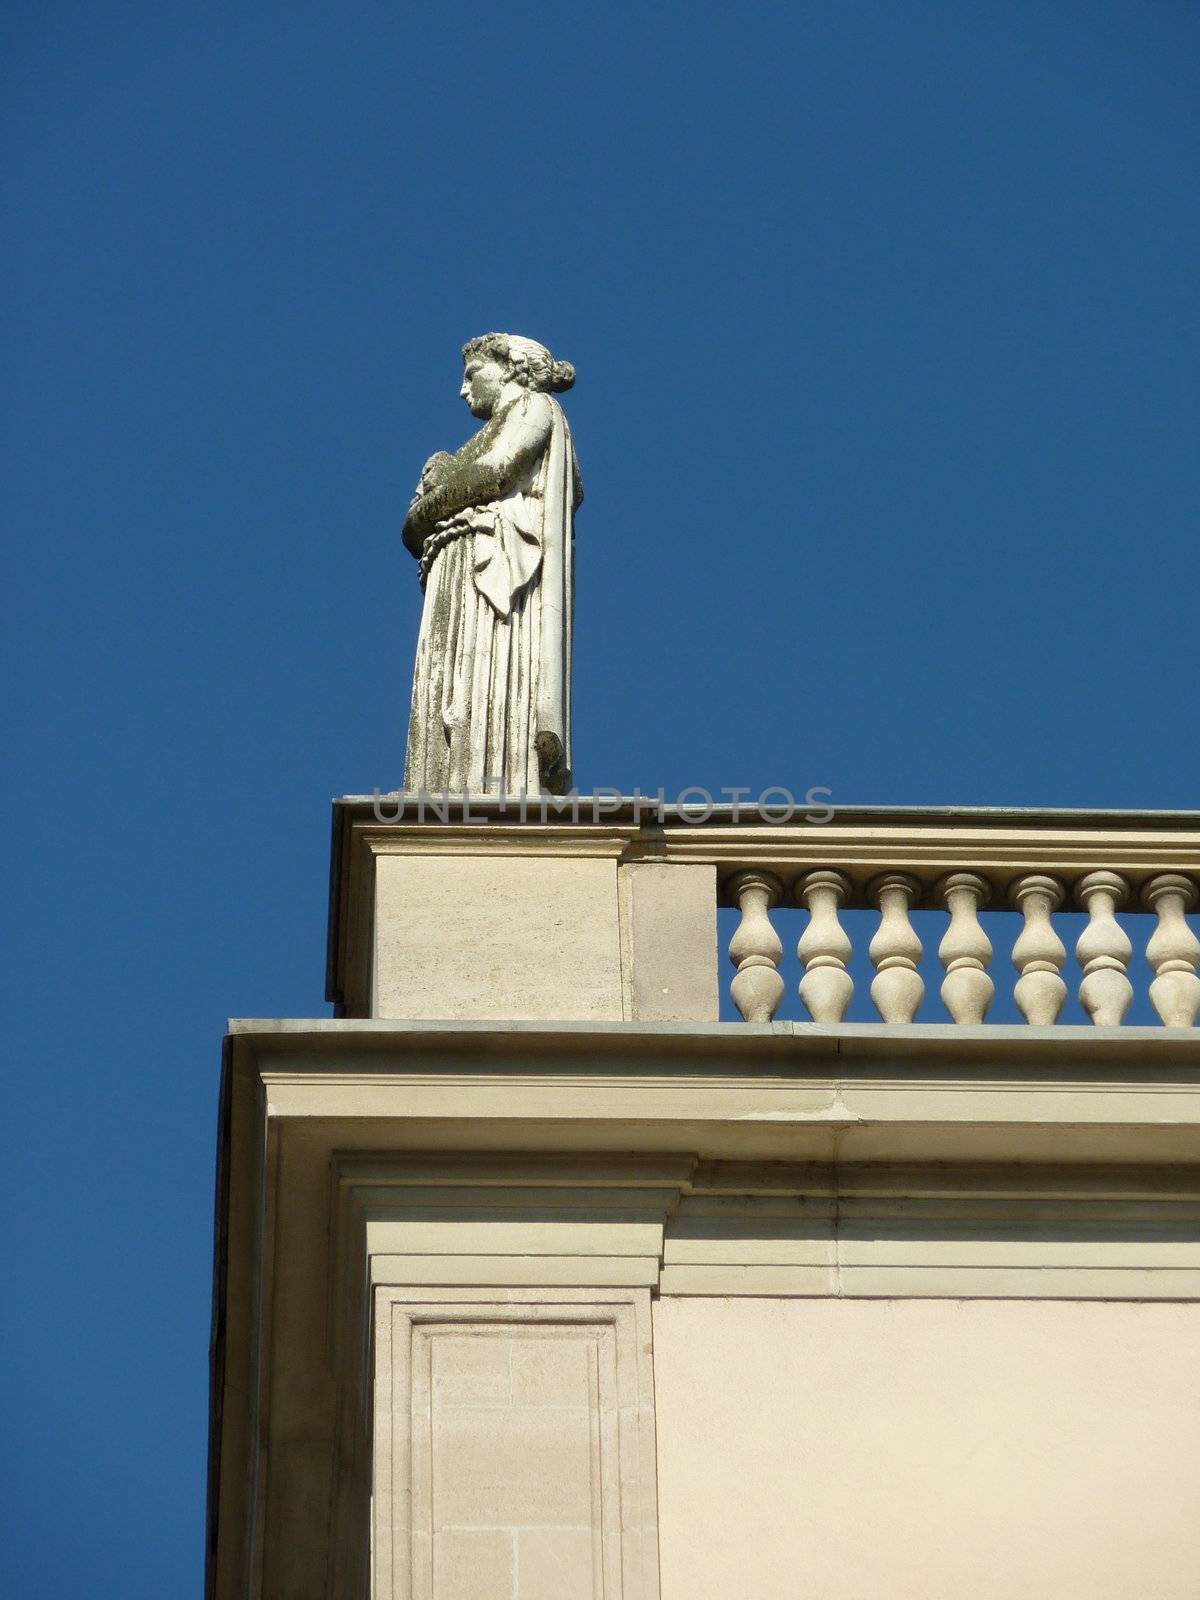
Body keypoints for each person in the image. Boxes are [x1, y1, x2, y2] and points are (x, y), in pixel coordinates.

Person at [402, 333, 582, 796]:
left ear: (508, 368)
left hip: (492, 563)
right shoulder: (483, 432)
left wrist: (428, 505)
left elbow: (496, 472)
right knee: (448, 693)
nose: (463, 390)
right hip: (457, 559)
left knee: (480, 687)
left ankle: (492, 783)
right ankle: (445, 786)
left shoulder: (533, 408)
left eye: (471, 375)